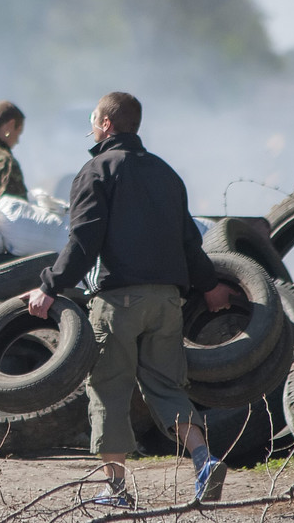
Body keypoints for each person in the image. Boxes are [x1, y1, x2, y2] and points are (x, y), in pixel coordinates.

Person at [21, 92, 234, 506]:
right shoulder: (166, 173)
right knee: (166, 386)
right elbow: (190, 242)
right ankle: (204, 458)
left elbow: (84, 242)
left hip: (118, 302)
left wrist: (50, 287)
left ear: (105, 125)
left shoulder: (95, 170)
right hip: (167, 302)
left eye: (94, 121)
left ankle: (116, 490)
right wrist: (210, 286)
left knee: (108, 389)